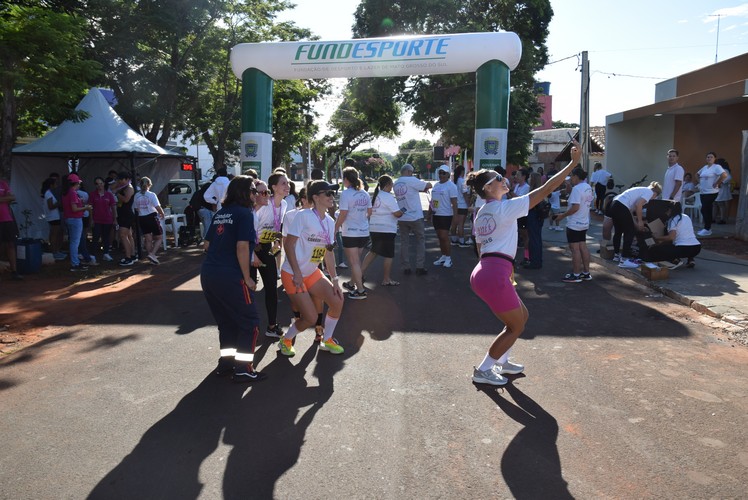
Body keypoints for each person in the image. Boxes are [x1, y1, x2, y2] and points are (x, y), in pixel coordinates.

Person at [468, 141, 583, 386]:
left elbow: (481, 247)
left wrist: (505, 271)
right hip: (493, 273)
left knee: (522, 316)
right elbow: (544, 190)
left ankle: (503, 361)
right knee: (515, 326)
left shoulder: (483, 212)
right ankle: (484, 369)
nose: (504, 178)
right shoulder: (502, 208)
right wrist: (572, 164)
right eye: (499, 177)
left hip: (488, 270)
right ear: (489, 188)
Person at [201, 175, 265, 383]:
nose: (256, 195)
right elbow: (242, 246)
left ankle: (226, 364)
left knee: (226, 322)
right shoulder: (245, 213)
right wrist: (247, 278)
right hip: (230, 276)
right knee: (250, 322)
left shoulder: (221, 213)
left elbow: (207, 245)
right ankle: (243, 368)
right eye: (254, 190)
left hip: (209, 274)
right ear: (245, 193)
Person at [278, 180, 345, 357]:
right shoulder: (303, 216)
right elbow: (289, 245)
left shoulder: (330, 221)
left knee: (337, 300)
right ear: (315, 197)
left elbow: (328, 253)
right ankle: (286, 339)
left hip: (312, 272)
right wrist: (298, 274)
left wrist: (335, 280)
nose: (332, 197)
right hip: (293, 274)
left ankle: (327, 339)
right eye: (328, 193)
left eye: (333, 193)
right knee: (310, 318)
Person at [252, 173, 288, 338]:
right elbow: (249, 229)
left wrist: (275, 240)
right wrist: (253, 253)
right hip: (251, 247)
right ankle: (248, 326)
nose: (287, 186)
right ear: (273, 187)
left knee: (272, 288)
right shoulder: (263, 204)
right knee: (249, 289)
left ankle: (272, 326)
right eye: (283, 183)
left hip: (266, 248)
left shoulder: (285, 204)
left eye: (288, 183)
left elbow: (276, 224)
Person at [335, 166, 372, 299]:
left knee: (354, 262)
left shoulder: (346, 194)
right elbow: (369, 212)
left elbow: (343, 213)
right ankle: (351, 283)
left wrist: (335, 228)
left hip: (350, 232)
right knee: (356, 261)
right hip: (363, 232)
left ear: (346, 179)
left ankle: (360, 291)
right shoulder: (364, 193)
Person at [361, 175, 404, 286]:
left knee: (373, 251)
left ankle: (359, 274)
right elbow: (397, 213)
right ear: (388, 185)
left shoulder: (376, 196)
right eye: (391, 185)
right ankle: (386, 279)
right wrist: (403, 211)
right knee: (389, 255)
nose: (392, 187)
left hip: (374, 228)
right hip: (387, 229)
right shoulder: (388, 197)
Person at [609, 181, 663, 269]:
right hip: (622, 206)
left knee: (618, 231)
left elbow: (630, 211)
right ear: (655, 193)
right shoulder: (649, 192)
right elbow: (639, 205)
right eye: (655, 197)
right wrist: (640, 221)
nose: (652, 199)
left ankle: (616, 255)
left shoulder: (641, 191)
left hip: (614, 204)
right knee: (630, 232)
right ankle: (624, 259)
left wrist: (636, 223)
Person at [555, 168, 594, 282]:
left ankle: (576, 274)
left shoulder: (577, 189)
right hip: (584, 222)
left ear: (576, 176)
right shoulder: (587, 187)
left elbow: (575, 207)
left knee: (575, 249)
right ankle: (586, 273)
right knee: (583, 246)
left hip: (574, 223)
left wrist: (562, 215)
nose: (571, 178)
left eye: (572, 176)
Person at [394, 163, 432, 275]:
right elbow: (429, 185)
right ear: (409, 172)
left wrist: (419, 189)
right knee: (420, 240)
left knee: (404, 242)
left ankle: (406, 266)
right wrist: (423, 186)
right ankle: (419, 266)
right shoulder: (412, 180)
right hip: (415, 216)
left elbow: (409, 193)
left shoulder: (396, 183)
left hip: (402, 216)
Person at [642, 200, 701, 269]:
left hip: (683, 249)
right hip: (696, 248)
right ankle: (690, 259)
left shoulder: (673, 219)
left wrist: (657, 238)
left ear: (669, 210)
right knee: (678, 243)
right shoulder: (686, 216)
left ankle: (673, 260)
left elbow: (671, 237)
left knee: (654, 250)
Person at [429, 165, 459, 268]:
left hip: (446, 215)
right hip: (436, 215)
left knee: (444, 236)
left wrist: (456, 217)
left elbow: (454, 203)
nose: (441, 175)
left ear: (448, 174)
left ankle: (448, 258)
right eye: (440, 173)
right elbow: (433, 201)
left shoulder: (451, 186)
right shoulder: (436, 185)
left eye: (444, 173)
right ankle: (443, 256)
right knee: (439, 237)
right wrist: (429, 214)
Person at [62, 174, 93, 272]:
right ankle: (75, 264)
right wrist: (86, 207)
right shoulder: (72, 193)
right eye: (79, 182)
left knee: (73, 242)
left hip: (69, 219)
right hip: (75, 219)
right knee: (75, 243)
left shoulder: (66, 192)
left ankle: (75, 262)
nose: (80, 184)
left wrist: (81, 203)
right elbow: (74, 209)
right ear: (76, 183)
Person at [133, 176, 165, 264]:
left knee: (148, 239)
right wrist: (162, 213)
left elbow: (136, 208)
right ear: (149, 185)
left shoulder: (136, 195)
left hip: (141, 218)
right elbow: (157, 206)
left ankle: (151, 255)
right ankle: (152, 254)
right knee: (159, 237)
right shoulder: (151, 194)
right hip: (151, 217)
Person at [696, 152, 727, 236]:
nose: (709, 158)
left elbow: (724, 175)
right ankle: (706, 228)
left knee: (706, 209)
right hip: (703, 192)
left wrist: (717, 183)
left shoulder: (717, 167)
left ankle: (707, 229)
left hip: (711, 192)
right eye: (708, 157)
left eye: (711, 157)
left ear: (714, 159)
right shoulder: (705, 167)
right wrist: (700, 183)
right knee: (704, 209)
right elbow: (697, 174)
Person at [90, 176, 117, 262]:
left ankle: (106, 253)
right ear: (95, 185)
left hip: (107, 219)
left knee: (106, 237)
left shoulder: (109, 195)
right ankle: (93, 255)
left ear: (104, 183)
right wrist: (91, 219)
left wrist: (115, 219)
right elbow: (90, 208)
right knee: (95, 237)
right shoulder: (92, 194)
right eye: (97, 184)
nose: (99, 185)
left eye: (101, 183)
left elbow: (113, 207)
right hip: (96, 219)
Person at [0, 177, 23, 280]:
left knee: (11, 244)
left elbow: (12, 197)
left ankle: (14, 271)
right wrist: (6, 198)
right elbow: (9, 197)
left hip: (7, 218)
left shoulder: (3, 183)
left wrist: (5, 198)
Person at [522, 172, 545, 269]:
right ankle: (536, 260)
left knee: (534, 239)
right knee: (536, 239)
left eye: (531, 177)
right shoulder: (540, 190)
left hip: (534, 215)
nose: (529, 179)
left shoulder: (534, 191)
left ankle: (535, 261)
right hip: (538, 216)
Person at [113, 171, 136, 266]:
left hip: (126, 214)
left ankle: (128, 258)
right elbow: (112, 188)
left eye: (121, 179)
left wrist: (117, 194)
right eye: (119, 179)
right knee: (129, 235)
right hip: (122, 213)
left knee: (123, 235)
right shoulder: (122, 187)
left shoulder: (129, 188)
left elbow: (126, 199)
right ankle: (132, 255)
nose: (120, 181)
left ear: (127, 179)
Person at [509, 169, 531, 264]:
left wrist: (509, 190)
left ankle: (527, 257)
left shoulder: (527, 187)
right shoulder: (517, 185)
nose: (515, 177)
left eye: (518, 175)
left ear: (524, 177)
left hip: (523, 215)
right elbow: (512, 199)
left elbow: (519, 200)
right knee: (516, 235)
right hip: (515, 214)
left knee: (525, 236)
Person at [41, 177, 65, 260]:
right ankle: (54, 252)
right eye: (55, 183)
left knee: (53, 234)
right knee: (54, 235)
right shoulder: (48, 193)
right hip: (53, 217)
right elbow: (50, 206)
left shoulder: (47, 193)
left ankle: (55, 251)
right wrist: (59, 203)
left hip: (52, 217)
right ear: (51, 185)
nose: (56, 185)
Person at [449, 165, 471, 247]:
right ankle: (461, 241)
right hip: (462, 205)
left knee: (454, 223)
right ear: (463, 171)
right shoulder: (463, 181)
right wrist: (468, 205)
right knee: (461, 224)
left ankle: (454, 239)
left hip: (455, 205)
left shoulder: (453, 182)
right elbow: (465, 194)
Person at [714, 160, 732, 225]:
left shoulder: (724, 170)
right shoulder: (717, 170)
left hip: (722, 190)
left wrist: (721, 182)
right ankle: (713, 218)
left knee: (721, 204)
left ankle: (722, 219)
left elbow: (729, 177)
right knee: (715, 204)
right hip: (716, 190)